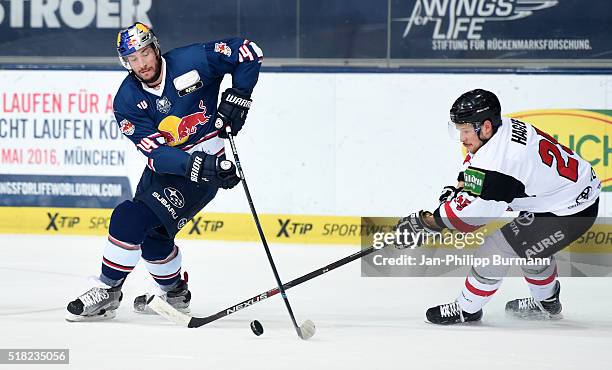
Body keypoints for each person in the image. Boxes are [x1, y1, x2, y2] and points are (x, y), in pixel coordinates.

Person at [66, 22, 263, 321]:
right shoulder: (127, 100)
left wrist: (239, 97)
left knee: (128, 217)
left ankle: (107, 290)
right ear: (126, 62)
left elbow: (248, 53)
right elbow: (156, 154)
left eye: (145, 53)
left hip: (203, 171)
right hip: (169, 169)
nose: (142, 63)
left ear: (155, 48)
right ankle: (175, 294)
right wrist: (198, 165)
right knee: (153, 238)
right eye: (133, 58)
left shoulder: (193, 61)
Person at [396, 89, 600, 325]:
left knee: (495, 248)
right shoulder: (504, 129)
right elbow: (478, 168)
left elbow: (470, 220)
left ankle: (467, 309)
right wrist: (461, 188)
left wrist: (428, 222)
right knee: (532, 250)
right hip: (566, 196)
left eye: (465, 130)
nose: (461, 138)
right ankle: (548, 303)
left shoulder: (502, 164)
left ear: (485, 127)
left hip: (570, 210)